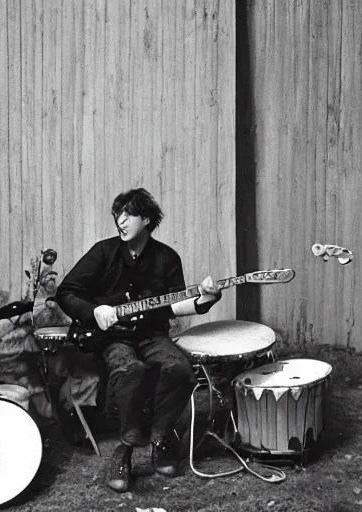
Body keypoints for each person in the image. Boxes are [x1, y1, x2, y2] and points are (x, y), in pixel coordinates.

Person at [56, 188, 222, 492]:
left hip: (152, 335)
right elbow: (65, 292)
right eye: (117, 215)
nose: (120, 221)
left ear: (146, 218)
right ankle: (126, 450)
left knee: (179, 368)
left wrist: (205, 300)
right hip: (113, 339)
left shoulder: (167, 258)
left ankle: (160, 439)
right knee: (129, 371)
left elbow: (174, 304)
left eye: (128, 214)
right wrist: (95, 311)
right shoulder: (102, 252)